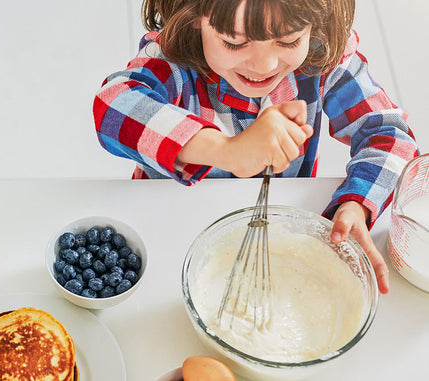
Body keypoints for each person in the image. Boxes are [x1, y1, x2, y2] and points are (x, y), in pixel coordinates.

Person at [93, 0, 419, 294]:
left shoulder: (325, 57)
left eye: (289, 40)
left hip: (279, 234)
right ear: (195, 17)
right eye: (235, 42)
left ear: (316, 21)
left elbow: (391, 136)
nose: (264, 65)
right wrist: (225, 149)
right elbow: (112, 108)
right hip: (168, 224)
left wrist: (357, 205)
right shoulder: (172, 57)